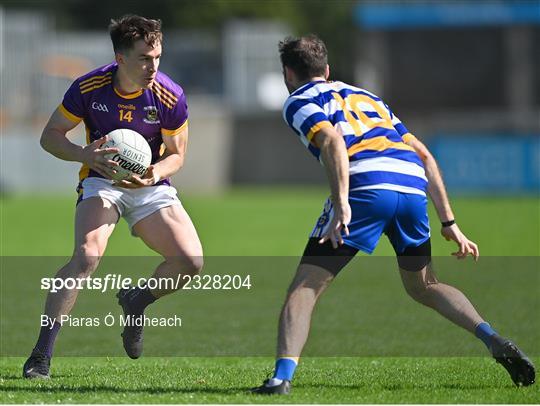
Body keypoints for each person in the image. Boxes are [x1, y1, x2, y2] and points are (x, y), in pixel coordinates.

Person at [252, 35, 535, 394]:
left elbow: (334, 142)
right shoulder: (369, 98)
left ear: (288, 73)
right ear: (327, 69)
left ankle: (281, 379)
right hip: (411, 186)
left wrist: (342, 205)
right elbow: (424, 156)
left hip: (367, 186)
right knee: (425, 285)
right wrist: (450, 223)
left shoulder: (299, 100)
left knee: (306, 287)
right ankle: (492, 338)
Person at [23, 15, 203, 379]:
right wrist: (83, 155)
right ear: (120, 58)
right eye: (143, 58)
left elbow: (177, 155)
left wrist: (154, 172)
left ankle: (137, 300)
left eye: (157, 57)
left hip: (149, 183)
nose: (153, 66)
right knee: (86, 256)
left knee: (190, 262)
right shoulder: (89, 87)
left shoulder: (170, 95)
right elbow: (51, 135)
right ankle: (40, 355)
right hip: (102, 180)